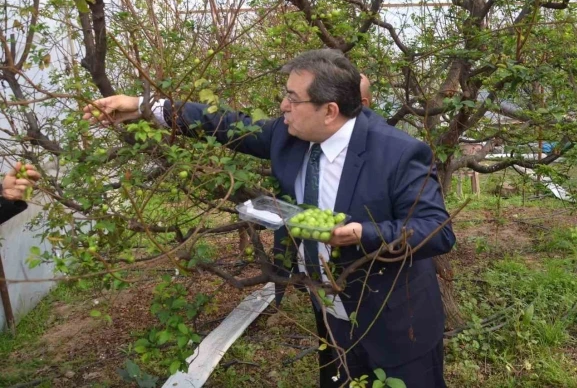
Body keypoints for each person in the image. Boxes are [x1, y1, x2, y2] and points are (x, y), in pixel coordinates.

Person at [83, 49, 455, 387]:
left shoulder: (399, 153)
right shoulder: (290, 134)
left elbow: (435, 231)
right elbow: (226, 124)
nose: (283, 106)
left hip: (395, 322)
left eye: (293, 99)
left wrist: (363, 233)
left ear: (330, 110)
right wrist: (143, 105)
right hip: (329, 310)